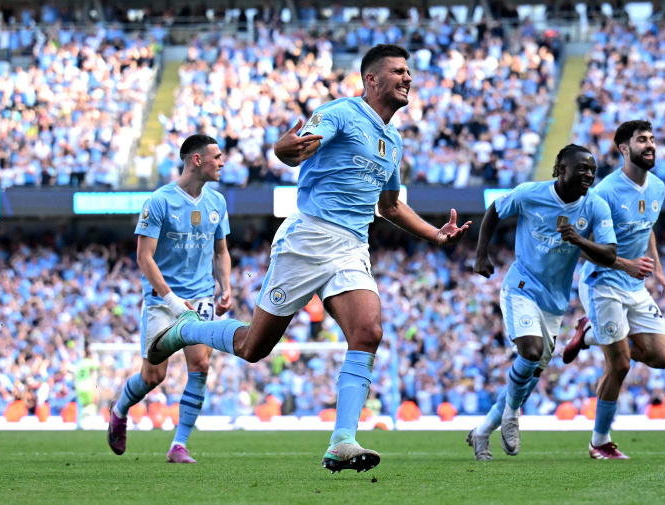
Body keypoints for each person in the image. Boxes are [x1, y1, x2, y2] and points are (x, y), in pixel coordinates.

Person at [145, 44, 471, 473]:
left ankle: (342, 441)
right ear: (371, 80)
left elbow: (390, 206)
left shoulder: (394, 142)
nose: (408, 78)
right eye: (398, 71)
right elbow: (296, 151)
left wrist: (434, 233)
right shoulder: (339, 113)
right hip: (309, 238)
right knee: (252, 347)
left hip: (353, 246)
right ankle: (186, 330)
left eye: (409, 72)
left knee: (368, 331)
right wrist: (284, 151)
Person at [467, 144, 617, 461]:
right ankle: (511, 415)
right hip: (522, 285)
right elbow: (495, 208)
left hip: (554, 301)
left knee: (532, 375)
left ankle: (482, 431)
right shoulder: (530, 194)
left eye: (592, 169)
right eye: (582, 168)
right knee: (531, 351)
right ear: (561, 169)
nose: (589, 174)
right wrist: (481, 254)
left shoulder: (595, 207)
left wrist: (578, 239)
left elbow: (610, 254)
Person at [107, 134, 232, 464]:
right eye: (216, 156)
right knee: (153, 377)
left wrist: (226, 286)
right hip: (163, 300)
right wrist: (171, 298)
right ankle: (119, 410)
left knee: (201, 364)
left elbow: (221, 252)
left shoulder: (217, 202)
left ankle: (179, 445)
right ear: (196, 160)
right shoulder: (159, 201)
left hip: (202, 296)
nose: (222, 162)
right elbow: (143, 257)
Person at [562, 120, 665, 459]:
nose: (650, 144)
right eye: (642, 140)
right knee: (620, 364)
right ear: (624, 149)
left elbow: (646, 228)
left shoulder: (657, 187)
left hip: (635, 286)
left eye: (652, 139)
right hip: (603, 284)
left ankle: (589, 333)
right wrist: (625, 264)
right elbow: (577, 244)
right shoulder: (604, 192)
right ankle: (600, 442)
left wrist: (661, 272)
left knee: (663, 356)